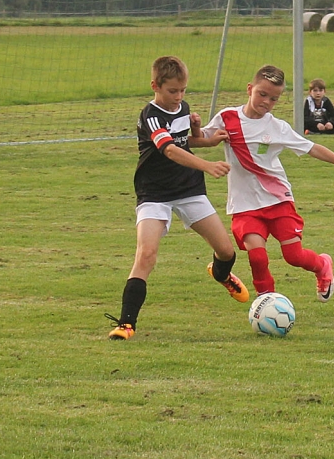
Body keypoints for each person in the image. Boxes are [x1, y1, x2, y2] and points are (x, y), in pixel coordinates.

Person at [107, 56, 249, 341]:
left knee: (227, 252)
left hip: (188, 189)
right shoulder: (151, 115)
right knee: (146, 254)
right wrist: (208, 165)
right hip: (154, 193)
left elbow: (185, 141)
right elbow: (170, 150)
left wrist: (204, 136)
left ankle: (221, 275)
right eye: (173, 91)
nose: (179, 97)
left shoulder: (182, 107)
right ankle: (126, 324)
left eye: (183, 90)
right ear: (155, 86)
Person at [203, 65, 334, 301]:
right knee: (257, 258)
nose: (267, 102)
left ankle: (322, 265)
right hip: (245, 204)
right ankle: (266, 300)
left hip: (278, 199)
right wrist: (193, 130)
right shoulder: (227, 118)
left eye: (274, 98)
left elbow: (313, 148)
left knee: (293, 256)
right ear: (250, 89)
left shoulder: (277, 127)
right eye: (262, 94)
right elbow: (202, 139)